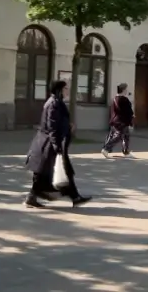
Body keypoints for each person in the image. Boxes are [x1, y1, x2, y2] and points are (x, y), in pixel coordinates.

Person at [24, 80, 91, 208]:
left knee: (54, 171)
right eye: (65, 88)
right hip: (48, 144)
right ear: (59, 90)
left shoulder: (55, 102)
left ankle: (74, 197)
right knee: (47, 171)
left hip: (51, 142)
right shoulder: (54, 103)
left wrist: (67, 127)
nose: (67, 91)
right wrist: (56, 145)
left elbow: (58, 122)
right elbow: (52, 126)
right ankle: (32, 197)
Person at [101, 83, 135, 158]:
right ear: (123, 90)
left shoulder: (115, 98)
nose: (127, 90)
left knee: (126, 135)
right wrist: (131, 116)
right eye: (126, 89)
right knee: (118, 136)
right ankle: (106, 149)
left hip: (115, 120)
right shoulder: (124, 99)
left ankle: (126, 151)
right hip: (121, 121)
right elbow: (127, 111)